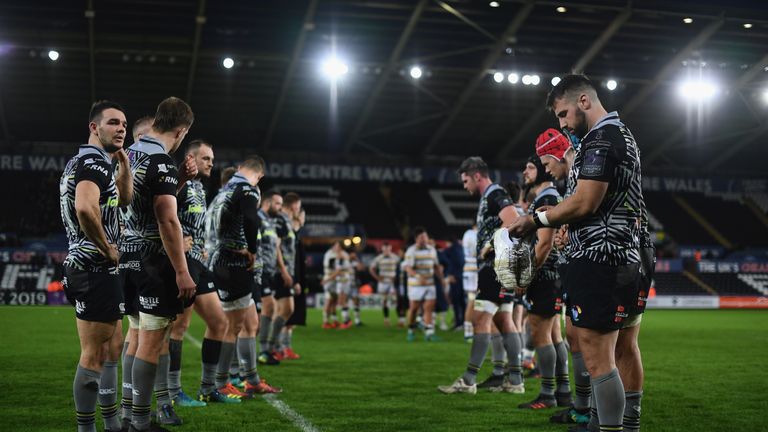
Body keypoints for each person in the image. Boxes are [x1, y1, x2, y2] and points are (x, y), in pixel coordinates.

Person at [508, 74, 644, 432]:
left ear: (584, 101)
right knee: (623, 348)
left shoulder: (601, 138)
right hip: (627, 256)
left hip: (603, 261)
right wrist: (571, 225)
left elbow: (586, 202)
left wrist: (536, 220)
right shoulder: (621, 134)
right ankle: (621, 426)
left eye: (564, 114)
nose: (563, 124)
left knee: (598, 356)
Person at [120, 97, 197, 432]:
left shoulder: (131, 153)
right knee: (152, 343)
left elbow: (142, 201)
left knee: (135, 337)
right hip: (152, 262)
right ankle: (140, 421)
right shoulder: (160, 161)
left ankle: (126, 414)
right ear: (181, 131)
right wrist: (182, 271)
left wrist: (177, 180)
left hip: (127, 257)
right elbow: (167, 221)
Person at [61, 101, 131, 432]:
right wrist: (107, 248)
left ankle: (112, 422)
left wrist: (125, 166)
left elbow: (124, 201)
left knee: (113, 345)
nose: (121, 129)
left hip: (97, 268)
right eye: (114, 123)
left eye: (125, 125)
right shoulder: (92, 162)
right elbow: (85, 209)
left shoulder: (98, 163)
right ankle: (87, 428)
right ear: (94, 128)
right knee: (93, 354)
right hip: (93, 266)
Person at [438, 157, 523, 395]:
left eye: (465, 180)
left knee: (479, 320)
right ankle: (515, 381)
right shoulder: (491, 196)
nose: (464, 185)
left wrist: (491, 245)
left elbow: (514, 221)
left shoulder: (495, 193)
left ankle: (468, 380)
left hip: (495, 268)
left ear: (477, 175)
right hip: (501, 268)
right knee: (504, 320)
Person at [165, 140, 233, 406]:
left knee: (219, 323)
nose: (211, 164)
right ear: (191, 158)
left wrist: (201, 246)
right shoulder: (178, 183)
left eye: (212, 159)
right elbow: (160, 214)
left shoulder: (200, 189)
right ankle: (173, 392)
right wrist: (178, 240)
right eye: (206, 159)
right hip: (182, 264)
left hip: (199, 264)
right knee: (178, 328)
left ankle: (208, 388)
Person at [207, 155, 281, 396]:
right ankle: (221, 382)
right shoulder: (248, 190)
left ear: (240, 169)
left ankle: (252, 380)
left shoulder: (224, 191)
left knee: (251, 324)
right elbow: (251, 219)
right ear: (259, 176)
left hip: (223, 262)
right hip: (234, 265)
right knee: (233, 326)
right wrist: (251, 251)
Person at [517, 154, 572, 410]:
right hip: (553, 277)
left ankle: (547, 394)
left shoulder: (547, 198)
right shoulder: (546, 197)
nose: (526, 172)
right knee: (554, 335)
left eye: (530, 167)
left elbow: (545, 243)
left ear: (541, 170)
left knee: (540, 334)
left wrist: (526, 276)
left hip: (544, 276)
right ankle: (562, 391)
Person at [261, 192, 301, 362]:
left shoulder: (286, 221)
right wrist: (283, 270)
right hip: (277, 271)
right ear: (294, 206)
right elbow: (276, 246)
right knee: (281, 308)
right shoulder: (279, 219)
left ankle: (272, 346)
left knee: (281, 309)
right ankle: (270, 347)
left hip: (283, 270)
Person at [404, 227, 445, 342]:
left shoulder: (432, 249)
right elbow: (408, 268)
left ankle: (429, 333)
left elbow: (436, 266)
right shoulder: (411, 251)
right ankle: (411, 330)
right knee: (414, 309)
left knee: (429, 307)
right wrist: (418, 277)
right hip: (415, 285)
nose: (425, 239)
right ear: (416, 239)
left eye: (425, 236)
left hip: (430, 283)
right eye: (422, 237)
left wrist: (441, 278)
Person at [256, 191, 281, 360]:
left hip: (269, 272)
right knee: (268, 307)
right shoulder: (258, 218)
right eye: (277, 204)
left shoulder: (270, 222)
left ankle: (263, 350)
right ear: (267, 203)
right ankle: (264, 350)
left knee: (263, 313)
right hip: (260, 271)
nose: (280, 207)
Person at [282, 207, 308, 359]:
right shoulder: (291, 235)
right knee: (287, 316)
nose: (304, 218)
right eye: (303, 215)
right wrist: (296, 281)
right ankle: (281, 348)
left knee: (291, 318)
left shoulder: (296, 235)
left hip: (297, 280)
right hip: (293, 280)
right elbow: (292, 261)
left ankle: (285, 348)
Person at [369, 242, 401, 326]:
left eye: (388, 248)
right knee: (384, 301)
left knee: (397, 300)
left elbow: (400, 269)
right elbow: (371, 269)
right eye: (385, 248)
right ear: (382, 249)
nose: (386, 250)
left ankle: (400, 320)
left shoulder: (395, 258)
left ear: (390, 248)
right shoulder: (378, 258)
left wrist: (396, 277)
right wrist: (377, 278)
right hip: (383, 282)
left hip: (393, 282)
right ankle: (386, 319)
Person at [321, 241, 345, 328]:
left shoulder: (333, 254)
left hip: (333, 280)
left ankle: (334, 320)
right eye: (337, 246)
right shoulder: (331, 255)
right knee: (329, 300)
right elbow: (335, 269)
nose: (339, 248)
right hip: (329, 280)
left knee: (334, 301)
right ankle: (325, 321)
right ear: (334, 246)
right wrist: (327, 280)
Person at [461, 225, 478, 341]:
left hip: (469, 271)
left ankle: (470, 331)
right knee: (473, 301)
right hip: (475, 271)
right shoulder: (476, 234)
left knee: (474, 301)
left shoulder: (467, 234)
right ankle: (468, 332)